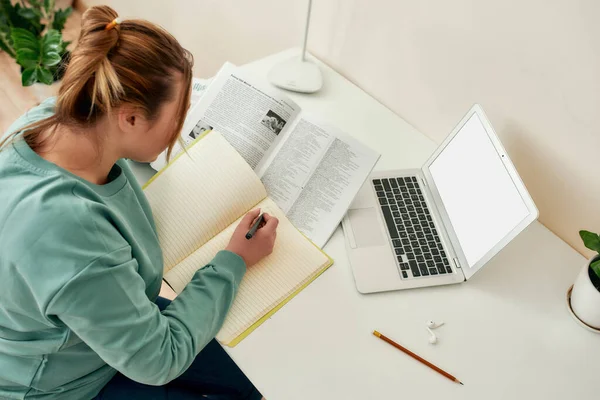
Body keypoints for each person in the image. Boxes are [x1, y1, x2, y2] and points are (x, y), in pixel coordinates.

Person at [0, 6, 277, 400]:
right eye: (177, 114)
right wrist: (234, 260)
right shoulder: (69, 234)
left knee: (257, 375)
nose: (181, 125)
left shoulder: (53, 118)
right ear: (128, 118)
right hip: (63, 384)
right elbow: (159, 360)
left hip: (92, 330)